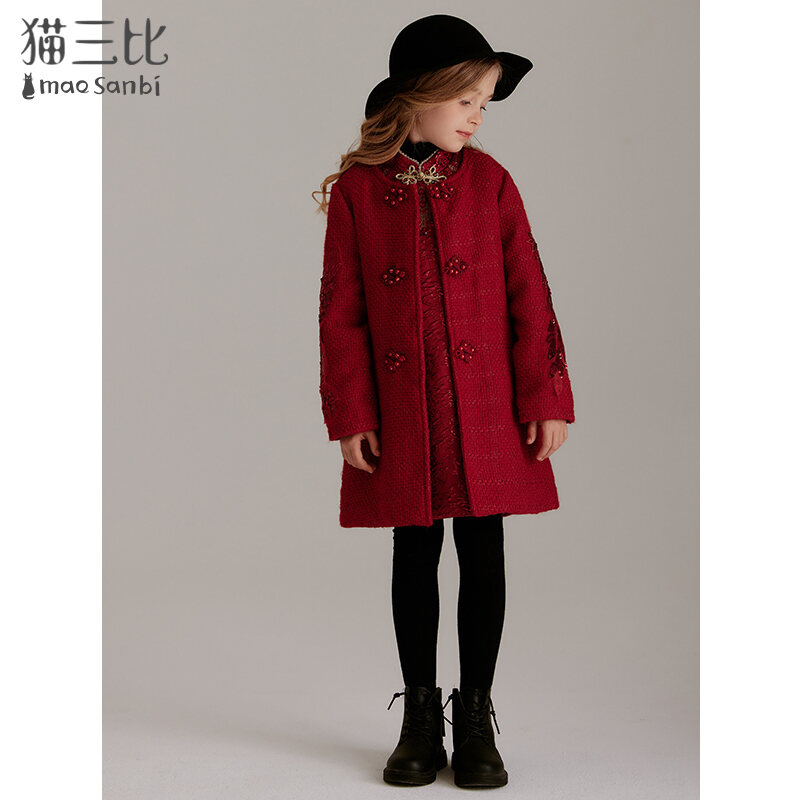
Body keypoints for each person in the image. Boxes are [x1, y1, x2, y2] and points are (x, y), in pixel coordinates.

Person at [313, 14, 576, 790]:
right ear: (418, 97)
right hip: (403, 409)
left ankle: (477, 718)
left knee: (484, 547)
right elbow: (340, 309)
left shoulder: (491, 183)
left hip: (487, 405)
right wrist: (352, 413)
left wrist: (545, 395)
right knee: (414, 550)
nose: (476, 117)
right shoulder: (359, 192)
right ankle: (420, 721)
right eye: (466, 100)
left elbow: (530, 291)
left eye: (484, 104)